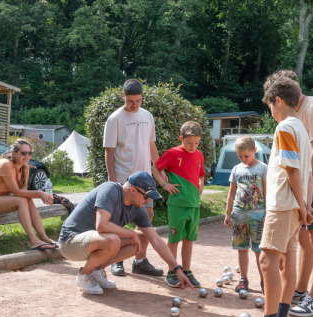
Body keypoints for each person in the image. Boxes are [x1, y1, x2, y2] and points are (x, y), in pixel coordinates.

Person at [238, 77, 313, 317]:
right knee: (288, 262)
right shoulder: (302, 130)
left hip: (282, 205)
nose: (270, 111)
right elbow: (304, 172)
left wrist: (300, 204)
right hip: (294, 206)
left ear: (278, 101)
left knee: (267, 262)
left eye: (270, 105)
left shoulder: (284, 128)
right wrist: (304, 205)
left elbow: (293, 171)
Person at [265, 70, 313, 317]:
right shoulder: (294, 119)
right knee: (300, 241)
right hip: (305, 183)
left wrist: (306, 199)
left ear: (280, 97)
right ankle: (298, 291)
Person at [57, 171, 193, 295]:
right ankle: (84, 275)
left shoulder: (138, 208)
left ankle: (96, 270)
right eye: (146, 197)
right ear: (133, 190)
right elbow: (101, 225)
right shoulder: (110, 189)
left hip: (92, 242)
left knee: (142, 238)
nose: (147, 201)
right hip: (70, 242)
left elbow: (155, 240)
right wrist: (130, 233)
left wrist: (177, 269)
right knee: (114, 240)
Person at [103, 78, 164, 277]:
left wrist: (160, 168)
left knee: (148, 218)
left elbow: (151, 145)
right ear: (123, 96)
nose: (134, 104)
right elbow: (109, 151)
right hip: (123, 180)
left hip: (145, 179)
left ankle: (140, 260)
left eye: (138, 100)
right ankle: (116, 260)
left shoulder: (147, 116)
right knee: (118, 222)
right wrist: (113, 180)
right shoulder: (115, 119)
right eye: (131, 101)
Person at [0, 139, 58, 250]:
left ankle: (45, 238)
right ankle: (33, 241)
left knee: (27, 200)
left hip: (0, 199)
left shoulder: (25, 167)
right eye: (23, 153)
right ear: (14, 153)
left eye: (29, 153)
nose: (27, 156)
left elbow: (24, 193)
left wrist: (43, 195)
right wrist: (40, 194)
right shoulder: (5, 164)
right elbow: (17, 192)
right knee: (21, 200)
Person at [151, 121, 205, 288]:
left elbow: (201, 174)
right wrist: (164, 184)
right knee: (174, 239)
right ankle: (172, 271)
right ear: (181, 138)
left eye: (196, 143)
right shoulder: (172, 153)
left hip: (193, 204)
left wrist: (202, 183)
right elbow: (155, 169)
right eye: (189, 143)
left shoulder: (199, 155)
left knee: (189, 239)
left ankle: (187, 270)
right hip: (177, 204)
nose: (192, 146)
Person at [224, 135, 267, 294]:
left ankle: (264, 280)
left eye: (246, 156)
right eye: (239, 156)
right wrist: (228, 213)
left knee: (259, 250)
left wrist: (267, 214)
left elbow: (267, 193)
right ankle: (243, 279)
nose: (242, 159)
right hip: (239, 214)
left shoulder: (263, 168)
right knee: (242, 248)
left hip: (258, 216)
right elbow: (231, 193)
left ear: (254, 150)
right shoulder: (236, 169)